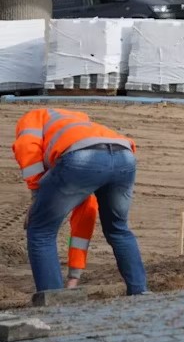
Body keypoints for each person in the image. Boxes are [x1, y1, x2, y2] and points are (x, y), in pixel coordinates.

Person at [12, 108, 147, 296]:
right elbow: (86, 213)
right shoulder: (80, 122)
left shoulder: (33, 117)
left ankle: (53, 301)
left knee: (41, 230)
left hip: (81, 158)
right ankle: (140, 292)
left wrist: (36, 195)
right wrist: (74, 277)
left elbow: (27, 148)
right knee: (118, 229)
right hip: (125, 156)